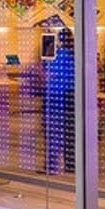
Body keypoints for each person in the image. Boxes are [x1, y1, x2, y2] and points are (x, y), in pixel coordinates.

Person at [43, 28, 76, 174]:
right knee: (70, 131)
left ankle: (51, 163)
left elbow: (50, 72)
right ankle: (71, 163)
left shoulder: (58, 54)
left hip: (56, 94)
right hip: (71, 94)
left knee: (53, 130)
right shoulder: (75, 54)